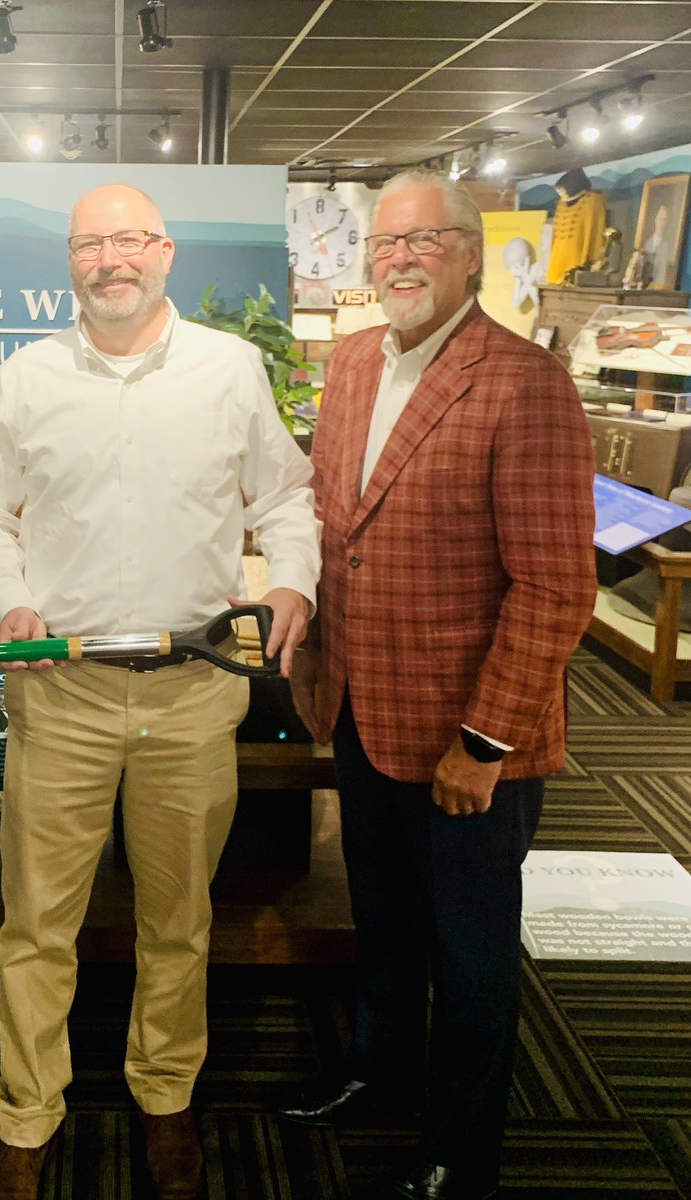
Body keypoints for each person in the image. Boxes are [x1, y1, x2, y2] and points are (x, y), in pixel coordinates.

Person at [0, 183, 321, 1200]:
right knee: (36, 923)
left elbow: (286, 497)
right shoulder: (28, 377)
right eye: (87, 244)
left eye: (127, 240)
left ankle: (166, 1100)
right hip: (59, 693)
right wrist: (11, 602)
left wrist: (291, 578)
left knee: (179, 915)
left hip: (193, 693)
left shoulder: (229, 370)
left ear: (165, 252)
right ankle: (26, 1116)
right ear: (71, 260)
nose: (108, 259)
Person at [277, 167, 597, 1200]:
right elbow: (336, 525)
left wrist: (489, 744)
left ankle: (463, 1142)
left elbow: (556, 585)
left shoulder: (523, 382)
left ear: (469, 252)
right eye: (385, 243)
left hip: (470, 743)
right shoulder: (355, 361)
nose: (401, 258)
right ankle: (379, 1075)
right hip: (367, 710)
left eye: (425, 240)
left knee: (471, 954)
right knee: (386, 923)